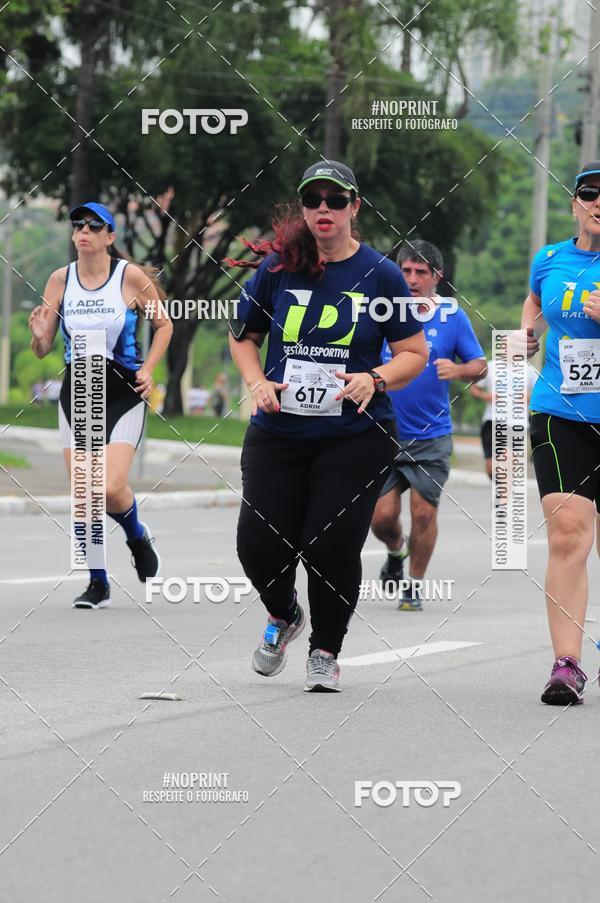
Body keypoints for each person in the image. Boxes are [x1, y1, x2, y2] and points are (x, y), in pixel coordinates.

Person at [227, 160, 428, 692]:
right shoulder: (278, 270)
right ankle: (285, 613)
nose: (323, 209)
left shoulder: (381, 274)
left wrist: (376, 379)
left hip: (354, 436)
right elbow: (243, 336)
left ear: (353, 208)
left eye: (334, 200)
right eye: (313, 200)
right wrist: (256, 381)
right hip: (279, 430)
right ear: (304, 208)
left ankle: (325, 649)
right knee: (257, 544)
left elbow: (413, 352)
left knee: (330, 544)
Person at [29, 201, 172, 608]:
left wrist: (150, 368)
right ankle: (98, 582)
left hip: (123, 391)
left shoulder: (130, 277)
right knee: (84, 493)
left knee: (109, 487)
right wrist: (40, 336)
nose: (84, 231)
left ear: (110, 236)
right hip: (78, 390)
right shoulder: (60, 280)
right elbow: (42, 350)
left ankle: (137, 535)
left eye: (95, 225)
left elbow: (164, 324)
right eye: (78, 225)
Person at [371, 240, 486, 610]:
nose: (412, 279)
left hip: (431, 435)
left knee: (423, 511)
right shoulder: (380, 311)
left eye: (421, 272)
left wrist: (458, 370)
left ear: (437, 277)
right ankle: (395, 550)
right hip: (384, 431)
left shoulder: (452, 316)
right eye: (405, 270)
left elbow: (479, 365)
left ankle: (414, 586)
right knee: (381, 517)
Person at [522, 161, 600, 705]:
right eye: (590, 193)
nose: (599, 202)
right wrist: (529, 331)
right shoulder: (549, 260)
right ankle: (566, 663)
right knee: (569, 532)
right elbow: (535, 301)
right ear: (574, 203)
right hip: (560, 412)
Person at [470, 359, 538, 481]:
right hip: (492, 421)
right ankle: (502, 492)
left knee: (507, 462)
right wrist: (486, 396)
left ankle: (504, 497)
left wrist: (531, 396)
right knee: (492, 469)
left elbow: (542, 391)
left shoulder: (529, 369)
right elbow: (474, 389)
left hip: (517, 423)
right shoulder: (490, 367)